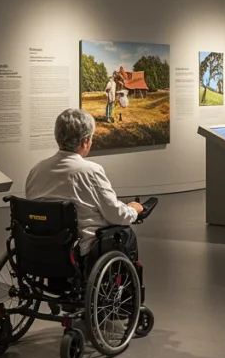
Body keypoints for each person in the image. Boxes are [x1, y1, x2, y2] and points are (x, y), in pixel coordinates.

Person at [26, 108, 145, 258]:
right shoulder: (90, 171)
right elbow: (115, 215)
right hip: (79, 251)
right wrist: (133, 210)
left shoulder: (36, 170)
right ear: (86, 140)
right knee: (127, 234)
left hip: (40, 248)